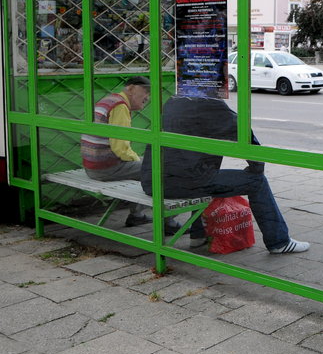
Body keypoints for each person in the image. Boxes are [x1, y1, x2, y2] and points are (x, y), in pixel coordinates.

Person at [141, 94, 309, 253]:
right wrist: (256, 167)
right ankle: (279, 242)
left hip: (153, 180)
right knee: (256, 182)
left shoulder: (174, 100)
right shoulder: (208, 102)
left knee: (206, 178)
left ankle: (198, 236)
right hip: (181, 181)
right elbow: (241, 131)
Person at [80, 76, 179, 233]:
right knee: (158, 169)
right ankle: (168, 222)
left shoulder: (110, 100)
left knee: (144, 166)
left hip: (92, 166)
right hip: (104, 168)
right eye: (145, 91)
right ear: (131, 88)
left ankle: (138, 215)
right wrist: (140, 161)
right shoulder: (120, 106)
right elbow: (120, 148)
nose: (148, 97)